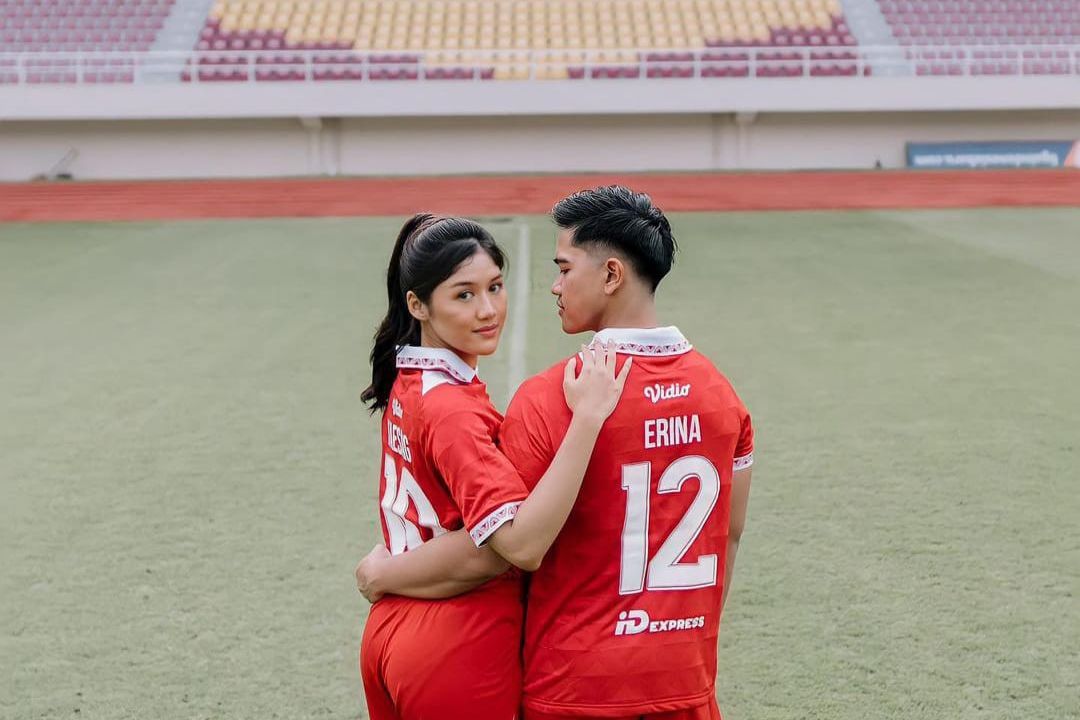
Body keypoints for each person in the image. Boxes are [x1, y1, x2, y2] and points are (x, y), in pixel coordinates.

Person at [357, 187, 755, 720]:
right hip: (684, 675)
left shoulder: (548, 398)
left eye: (564, 268)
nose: (554, 285)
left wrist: (380, 575)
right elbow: (728, 533)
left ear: (611, 275)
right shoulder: (723, 397)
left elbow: (502, 548)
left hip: (571, 683)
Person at [357, 213, 631, 720]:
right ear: (418, 304)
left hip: (393, 632)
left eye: (496, 287)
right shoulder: (451, 409)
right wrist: (588, 417)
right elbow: (514, 548)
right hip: (454, 640)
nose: (488, 310)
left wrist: (386, 575)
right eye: (464, 295)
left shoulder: (410, 379)